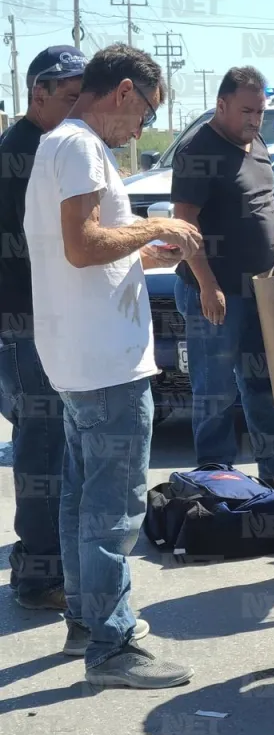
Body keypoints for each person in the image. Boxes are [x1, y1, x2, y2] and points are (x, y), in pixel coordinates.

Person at [24, 43, 200, 688]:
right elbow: (82, 244)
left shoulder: (61, 145)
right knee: (113, 509)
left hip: (82, 356)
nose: (143, 128)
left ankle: (85, 623)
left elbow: (90, 251)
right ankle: (112, 643)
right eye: (147, 111)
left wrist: (142, 256)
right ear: (124, 91)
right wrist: (162, 230)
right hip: (106, 362)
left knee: (81, 502)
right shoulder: (80, 147)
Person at [170, 66, 274, 499]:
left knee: (266, 380)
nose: (254, 120)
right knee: (216, 389)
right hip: (216, 292)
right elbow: (185, 223)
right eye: (246, 111)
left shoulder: (255, 142)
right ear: (221, 105)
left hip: (261, 289)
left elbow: (266, 200)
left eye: (260, 111)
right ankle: (215, 479)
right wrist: (207, 283)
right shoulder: (196, 149)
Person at [0, 45, 86, 611]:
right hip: (27, 322)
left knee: (52, 443)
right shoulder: (24, 153)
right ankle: (37, 577)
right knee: (42, 443)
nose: (80, 108)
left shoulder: (48, 144)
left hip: (40, 318)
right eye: (72, 97)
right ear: (40, 94)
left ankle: (44, 560)